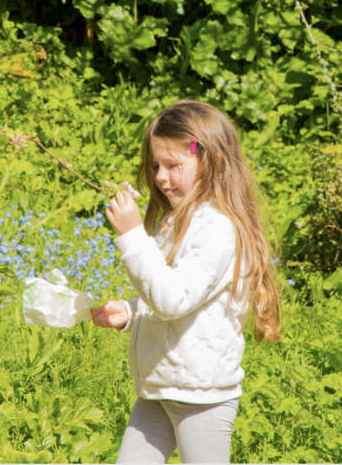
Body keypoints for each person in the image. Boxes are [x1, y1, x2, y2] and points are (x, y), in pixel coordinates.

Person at [91, 100, 281, 464]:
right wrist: (131, 311)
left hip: (202, 395)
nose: (160, 177)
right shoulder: (175, 221)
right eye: (155, 166)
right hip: (161, 387)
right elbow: (175, 291)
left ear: (208, 161)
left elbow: (172, 300)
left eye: (172, 165)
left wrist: (132, 235)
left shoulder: (217, 229)